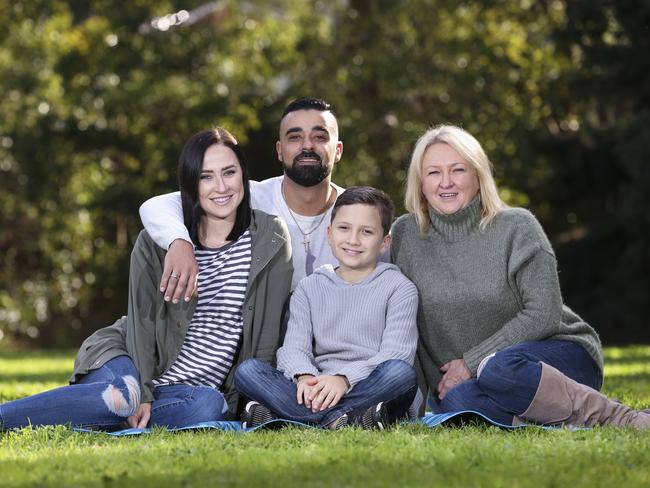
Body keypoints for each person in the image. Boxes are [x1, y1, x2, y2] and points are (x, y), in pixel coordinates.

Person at [0, 128, 293, 431]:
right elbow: (142, 322)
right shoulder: (155, 242)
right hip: (126, 359)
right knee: (125, 396)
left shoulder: (270, 237)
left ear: (243, 174)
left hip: (192, 392)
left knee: (210, 407)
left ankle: (105, 410)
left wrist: (255, 399)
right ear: (192, 183)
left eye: (229, 172)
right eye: (206, 176)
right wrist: (143, 391)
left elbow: (267, 335)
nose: (220, 187)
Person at [390, 124, 650, 428]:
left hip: (556, 356)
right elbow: (407, 324)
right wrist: (415, 406)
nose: (446, 182)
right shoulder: (405, 236)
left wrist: (471, 363)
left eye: (458, 170)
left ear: (478, 176)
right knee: (458, 403)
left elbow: (544, 314)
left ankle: (621, 418)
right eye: (433, 173)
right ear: (420, 183)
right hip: (474, 382)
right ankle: (556, 417)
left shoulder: (517, 227)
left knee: (499, 368)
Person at [234, 187, 419, 430]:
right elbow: (293, 350)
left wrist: (343, 380)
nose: (353, 240)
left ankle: (293, 417)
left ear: (384, 242)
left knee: (400, 374)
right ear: (330, 234)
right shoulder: (309, 288)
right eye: (344, 228)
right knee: (248, 371)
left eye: (366, 232)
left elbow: (396, 355)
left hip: (369, 385)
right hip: (317, 388)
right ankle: (346, 419)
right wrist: (306, 377)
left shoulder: (399, 288)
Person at [139, 97, 344, 296]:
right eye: (294, 137)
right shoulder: (248, 197)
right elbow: (157, 205)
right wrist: (179, 242)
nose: (307, 146)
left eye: (320, 137)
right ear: (280, 151)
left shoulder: (358, 212)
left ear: (338, 150)